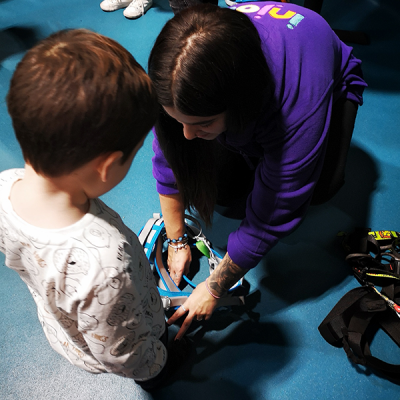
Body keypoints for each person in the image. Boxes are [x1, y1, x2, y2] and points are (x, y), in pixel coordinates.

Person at [148, 3, 367, 339]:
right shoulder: (181, 80)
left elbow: (271, 216)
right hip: (248, 84)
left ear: (240, 104)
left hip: (320, 70)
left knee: (320, 189)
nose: (188, 135)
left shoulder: (296, 105)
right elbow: (169, 160)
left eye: (201, 123)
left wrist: (215, 287)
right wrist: (177, 241)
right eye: (179, 121)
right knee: (224, 189)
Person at [1, 28, 189, 390]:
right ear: (106, 166)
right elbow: (122, 354)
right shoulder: (106, 263)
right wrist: (156, 360)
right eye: (131, 157)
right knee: (158, 367)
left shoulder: (6, 185)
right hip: (135, 346)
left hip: (65, 327)